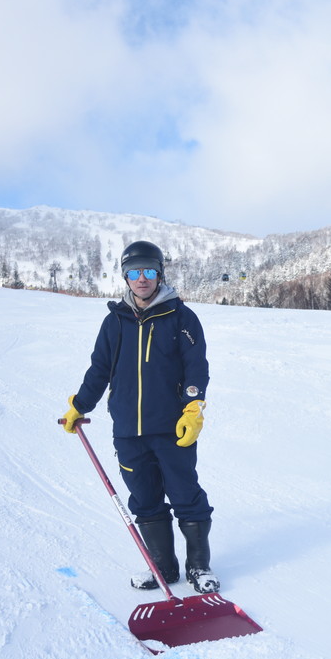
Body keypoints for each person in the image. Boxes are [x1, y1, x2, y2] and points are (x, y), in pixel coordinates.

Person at [61, 240, 218, 593]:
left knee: (185, 494)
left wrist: (194, 406)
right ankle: (162, 567)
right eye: (134, 272)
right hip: (129, 431)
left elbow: (196, 367)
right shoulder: (114, 322)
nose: (142, 278)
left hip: (172, 426)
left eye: (149, 271)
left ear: (159, 274)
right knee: (144, 499)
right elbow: (100, 370)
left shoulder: (182, 318)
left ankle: (199, 567)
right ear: (125, 277)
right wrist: (80, 406)